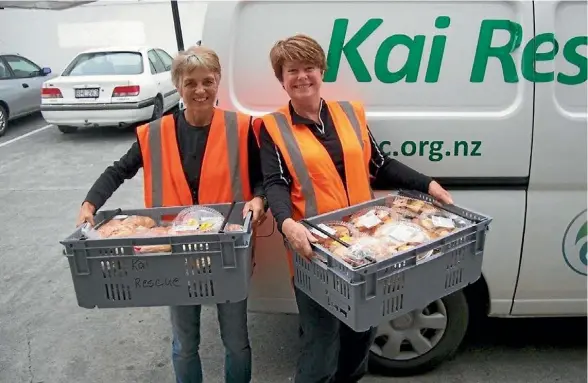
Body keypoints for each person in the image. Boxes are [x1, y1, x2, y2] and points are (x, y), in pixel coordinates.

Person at [254, 34, 453, 383]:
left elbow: (379, 164)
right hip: (314, 251)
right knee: (320, 337)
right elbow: (276, 183)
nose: (302, 77)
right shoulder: (273, 127)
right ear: (281, 79)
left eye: (309, 68)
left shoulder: (349, 113)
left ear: (322, 71)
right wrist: (286, 223)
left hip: (367, 245)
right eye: (292, 70)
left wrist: (428, 183)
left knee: (361, 329)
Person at [76, 45, 267, 383]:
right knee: (185, 342)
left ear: (218, 82)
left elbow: (263, 178)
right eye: (190, 82)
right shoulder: (155, 133)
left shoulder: (240, 128)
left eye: (208, 81)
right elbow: (118, 170)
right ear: (178, 85)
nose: (200, 90)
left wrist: (260, 200)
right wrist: (90, 204)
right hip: (172, 252)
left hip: (225, 251)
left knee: (236, 340)